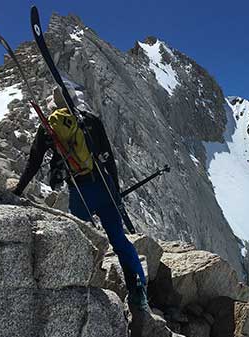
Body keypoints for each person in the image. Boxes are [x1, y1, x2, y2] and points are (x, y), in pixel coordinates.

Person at [12, 87, 148, 310]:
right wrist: (115, 194)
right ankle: (138, 291)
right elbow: (108, 159)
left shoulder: (49, 129)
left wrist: (18, 190)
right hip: (103, 186)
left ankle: (84, 288)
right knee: (119, 239)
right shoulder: (89, 120)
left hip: (79, 190)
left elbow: (34, 162)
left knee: (84, 240)